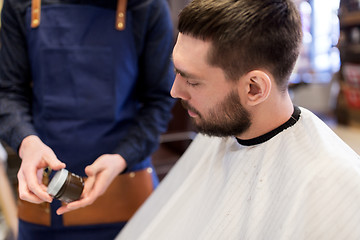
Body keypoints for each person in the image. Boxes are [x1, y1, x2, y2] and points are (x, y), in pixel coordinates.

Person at [116, 0, 360, 239]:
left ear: (254, 88)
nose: (175, 91)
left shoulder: (330, 183)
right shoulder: (218, 135)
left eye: (192, 81)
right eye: (177, 71)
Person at [0, 0, 175, 239]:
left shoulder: (147, 6)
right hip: (46, 199)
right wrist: (27, 142)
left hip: (125, 191)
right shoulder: (21, 4)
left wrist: (122, 157)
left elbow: (159, 101)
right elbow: (8, 93)